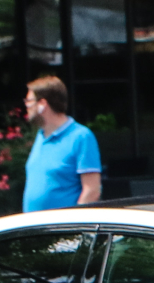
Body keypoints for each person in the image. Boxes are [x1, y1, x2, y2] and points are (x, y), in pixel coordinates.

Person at [20, 76, 101, 212]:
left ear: (42, 105)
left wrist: (73, 226)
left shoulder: (80, 136)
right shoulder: (41, 136)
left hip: (62, 231)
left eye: (29, 101)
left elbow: (92, 190)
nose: (26, 106)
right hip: (35, 229)